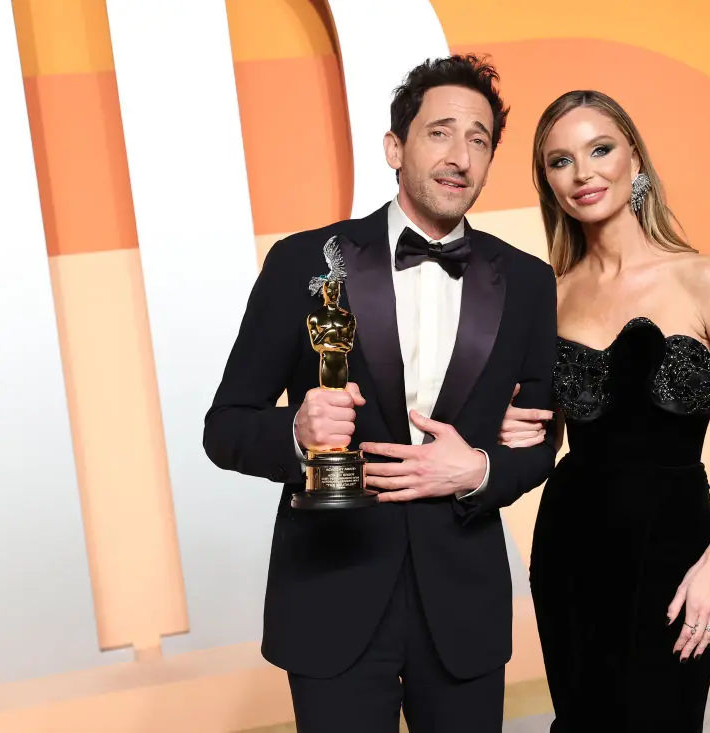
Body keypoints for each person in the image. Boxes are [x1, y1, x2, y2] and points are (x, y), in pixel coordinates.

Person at [203, 55, 558, 733]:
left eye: (479, 140)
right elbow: (225, 427)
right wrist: (297, 432)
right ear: (395, 147)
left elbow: (541, 440)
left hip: (464, 606)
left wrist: (482, 469)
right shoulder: (303, 262)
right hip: (331, 598)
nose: (460, 156)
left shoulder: (529, 282)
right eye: (440, 133)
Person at [498, 90, 710, 732]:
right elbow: (545, 438)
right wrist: (508, 429)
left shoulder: (703, 278)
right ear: (548, 183)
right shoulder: (551, 295)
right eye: (560, 161)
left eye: (601, 149)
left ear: (635, 160)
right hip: (570, 540)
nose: (584, 173)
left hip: (674, 541)